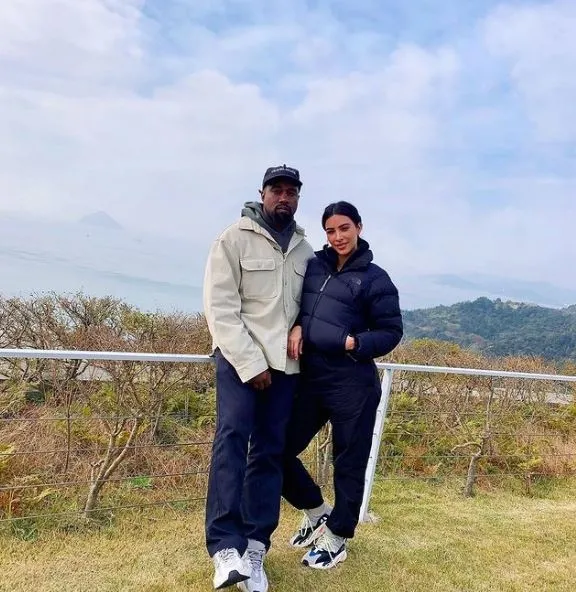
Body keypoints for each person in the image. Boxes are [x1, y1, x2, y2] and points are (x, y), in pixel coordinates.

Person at [203, 165, 313, 591]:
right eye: (276, 190)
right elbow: (220, 309)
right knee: (231, 442)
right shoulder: (233, 239)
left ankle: (255, 546)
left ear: (298, 197)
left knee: (269, 453)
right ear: (262, 194)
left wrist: (301, 326)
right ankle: (224, 548)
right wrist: (252, 364)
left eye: (291, 191)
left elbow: (308, 306)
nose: (284, 197)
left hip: (285, 369)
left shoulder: (305, 251)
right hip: (239, 362)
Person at [282, 200, 403, 569]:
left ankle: (337, 537)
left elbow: (391, 331)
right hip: (312, 377)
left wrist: (354, 343)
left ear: (359, 228)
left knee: (348, 463)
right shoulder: (314, 265)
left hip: (353, 383)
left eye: (344, 228)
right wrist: (298, 326)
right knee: (276, 449)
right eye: (331, 230)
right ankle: (316, 511)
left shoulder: (375, 279)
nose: (338, 237)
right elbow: (301, 306)